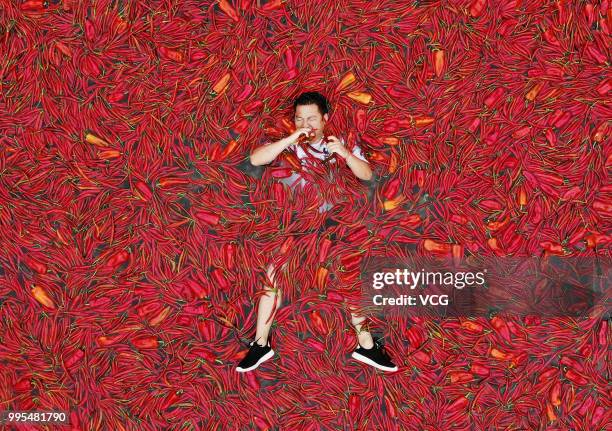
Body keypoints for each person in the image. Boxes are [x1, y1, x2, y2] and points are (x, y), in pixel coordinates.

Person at [236, 91, 398, 373]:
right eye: (299, 118)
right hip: (297, 222)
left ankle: (367, 346)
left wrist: (345, 154)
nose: (306, 124)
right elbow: (256, 159)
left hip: (332, 222)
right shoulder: (287, 143)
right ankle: (260, 344)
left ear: (325, 119)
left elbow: (367, 175)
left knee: (348, 277)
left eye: (311, 118)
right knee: (273, 275)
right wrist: (289, 138)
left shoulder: (339, 143)